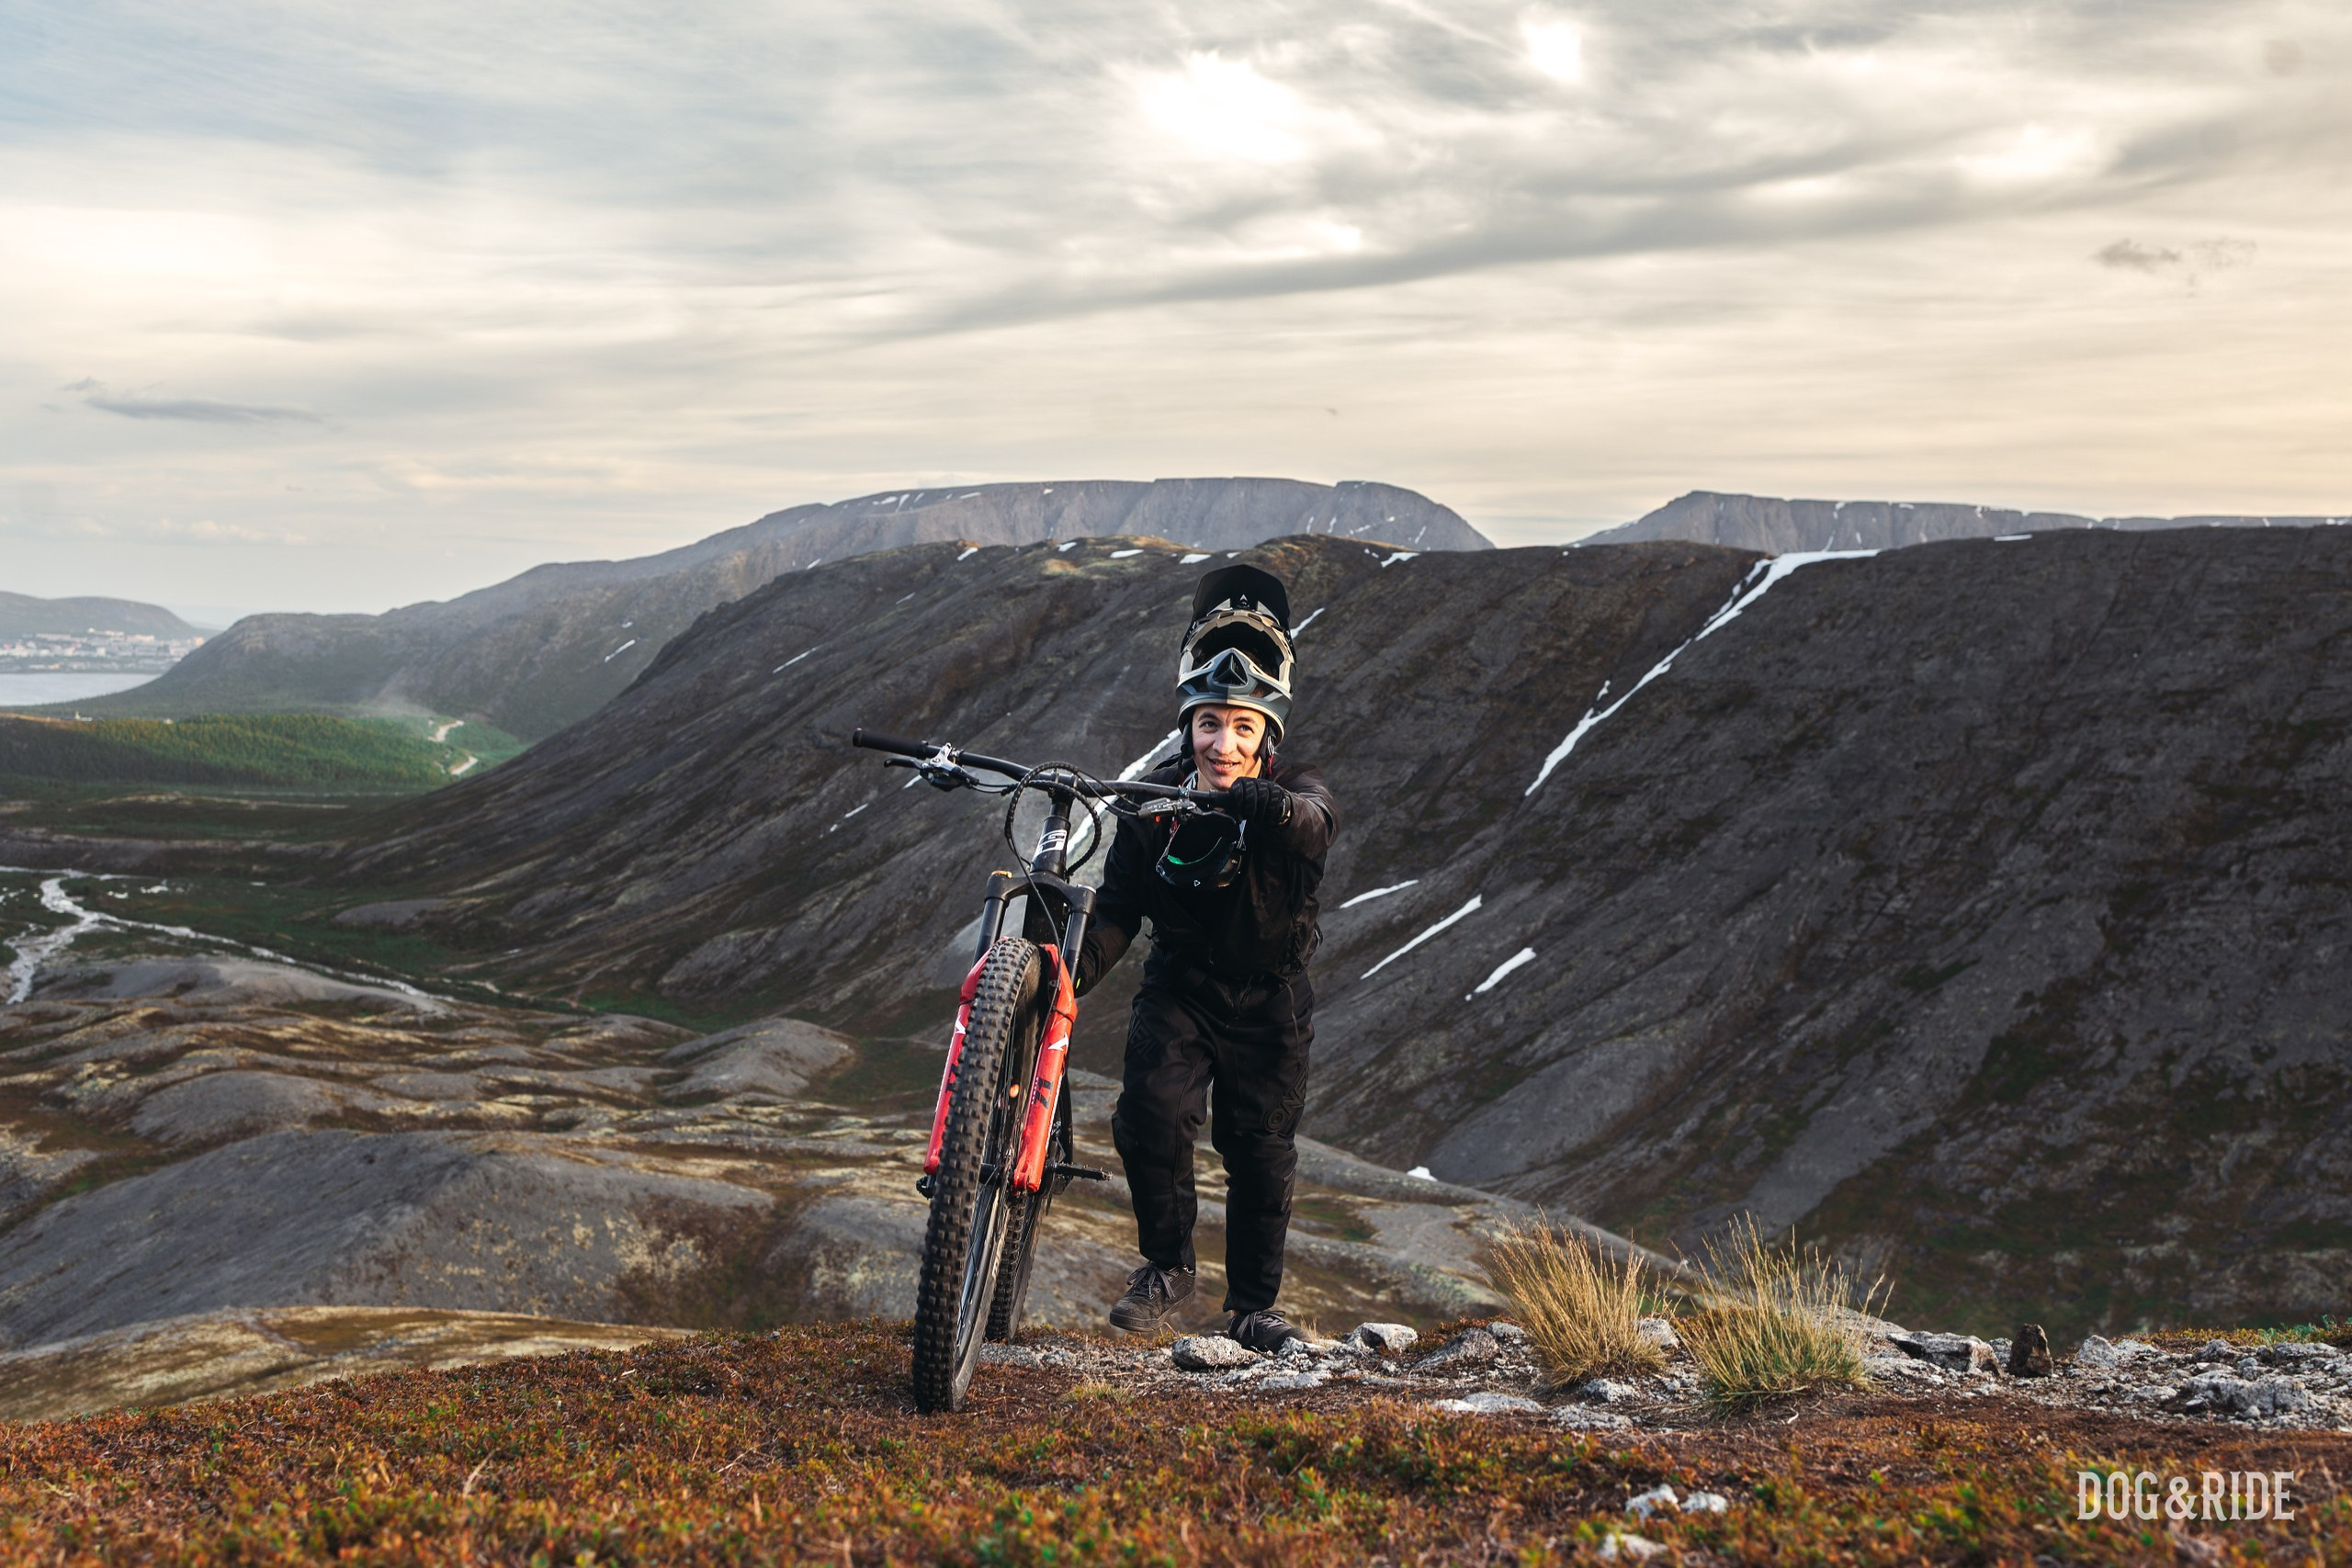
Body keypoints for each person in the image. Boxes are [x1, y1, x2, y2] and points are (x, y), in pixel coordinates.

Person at [1075, 564, 1338, 1353]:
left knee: (1260, 1150)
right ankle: (1167, 1267)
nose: (1223, 744)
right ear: (1188, 726)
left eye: (1243, 727)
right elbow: (1119, 907)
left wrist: (1270, 806)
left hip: (1271, 1000)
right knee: (1148, 1118)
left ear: (1267, 737)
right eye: (1209, 724)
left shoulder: (1297, 791)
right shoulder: (1154, 803)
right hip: (1180, 990)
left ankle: (1253, 1308)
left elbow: (1318, 823)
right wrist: (1068, 973)